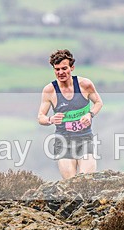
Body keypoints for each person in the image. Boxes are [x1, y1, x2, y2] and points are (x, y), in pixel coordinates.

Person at [37, 49, 103, 179]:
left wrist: (90, 114)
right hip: (63, 141)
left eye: (64, 68)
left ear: (72, 68)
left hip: (85, 139)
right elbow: (40, 117)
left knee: (86, 181)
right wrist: (51, 119)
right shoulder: (50, 90)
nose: (60, 72)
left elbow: (98, 103)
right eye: (57, 69)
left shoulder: (85, 85)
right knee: (71, 185)